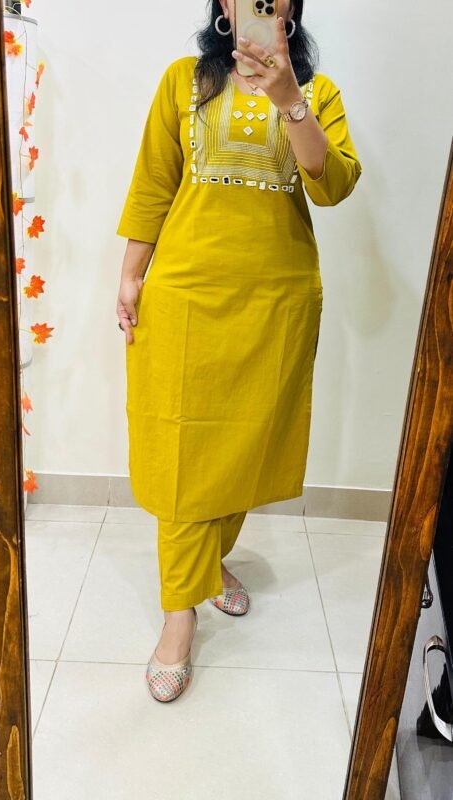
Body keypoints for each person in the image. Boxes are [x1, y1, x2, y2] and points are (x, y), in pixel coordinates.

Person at [115, 0, 362, 703]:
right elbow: (154, 181)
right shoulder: (183, 81)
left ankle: (210, 562)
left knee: (244, 446)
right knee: (181, 456)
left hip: (274, 301)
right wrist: (131, 275)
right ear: (223, 7)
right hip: (186, 296)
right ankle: (179, 614)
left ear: (290, 8)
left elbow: (334, 185)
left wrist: (290, 99)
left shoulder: (317, 93)